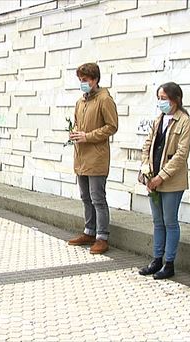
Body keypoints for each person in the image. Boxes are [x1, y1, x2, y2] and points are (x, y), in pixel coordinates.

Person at [138, 82, 190, 280]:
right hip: (153, 179)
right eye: (159, 98)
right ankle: (157, 259)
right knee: (157, 221)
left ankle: (169, 263)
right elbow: (147, 146)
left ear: (175, 99)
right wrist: (147, 169)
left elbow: (181, 155)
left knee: (170, 221)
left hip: (171, 181)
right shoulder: (158, 120)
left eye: (164, 98)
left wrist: (161, 176)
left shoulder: (184, 121)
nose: (161, 102)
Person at [67, 63, 118, 255]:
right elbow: (78, 123)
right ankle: (89, 231)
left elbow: (111, 127)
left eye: (85, 80)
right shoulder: (81, 102)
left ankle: (102, 237)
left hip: (96, 157)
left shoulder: (105, 99)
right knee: (85, 197)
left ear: (95, 80)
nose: (82, 83)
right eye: (80, 80)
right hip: (81, 157)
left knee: (98, 198)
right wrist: (74, 133)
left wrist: (88, 136)